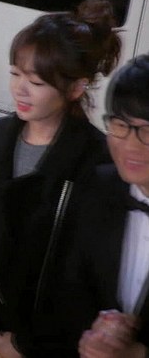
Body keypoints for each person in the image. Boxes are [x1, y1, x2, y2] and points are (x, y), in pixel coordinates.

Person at [0, 0, 122, 357]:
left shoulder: (100, 164)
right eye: (15, 74)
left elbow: (88, 281)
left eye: (36, 81)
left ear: (76, 88)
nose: (20, 89)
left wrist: (21, 346)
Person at [52, 54, 149, 358]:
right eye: (120, 124)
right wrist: (93, 335)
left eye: (148, 130)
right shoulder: (97, 187)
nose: (130, 145)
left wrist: (138, 353)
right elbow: (70, 285)